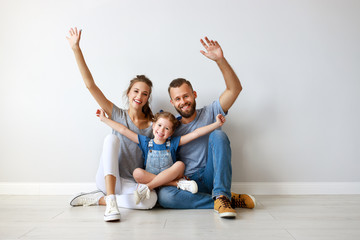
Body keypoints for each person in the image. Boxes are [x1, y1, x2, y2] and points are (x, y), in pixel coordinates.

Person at [157, 37, 256, 218]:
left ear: (194, 95)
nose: (183, 102)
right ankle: (224, 200)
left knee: (218, 135)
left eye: (186, 96)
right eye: (178, 99)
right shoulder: (171, 127)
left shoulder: (210, 112)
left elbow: (234, 89)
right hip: (188, 183)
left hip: (212, 176)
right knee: (164, 197)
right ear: (172, 103)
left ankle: (220, 193)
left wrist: (220, 60)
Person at [66, 27, 157, 222]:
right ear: (128, 92)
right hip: (109, 178)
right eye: (136, 91)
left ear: (148, 98)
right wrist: (76, 49)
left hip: (129, 182)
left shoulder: (152, 125)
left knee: (151, 201)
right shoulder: (116, 113)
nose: (139, 96)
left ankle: (102, 200)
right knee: (111, 138)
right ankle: (111, 201)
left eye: (144, 93)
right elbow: (90, 85)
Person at [97, 109, 226, 205]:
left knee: (180, 165)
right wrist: (104, 119)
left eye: (167, 128)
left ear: (171, 133)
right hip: (159, 180)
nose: (161, 130)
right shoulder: (146, 142)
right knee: (137, 172)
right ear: (153, 126)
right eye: (159, 125)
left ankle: (147, 187)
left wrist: (216, 124)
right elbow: (124, 130)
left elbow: (196, 134)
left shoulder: (173, 143)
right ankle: (178, 184)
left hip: (159, 185)